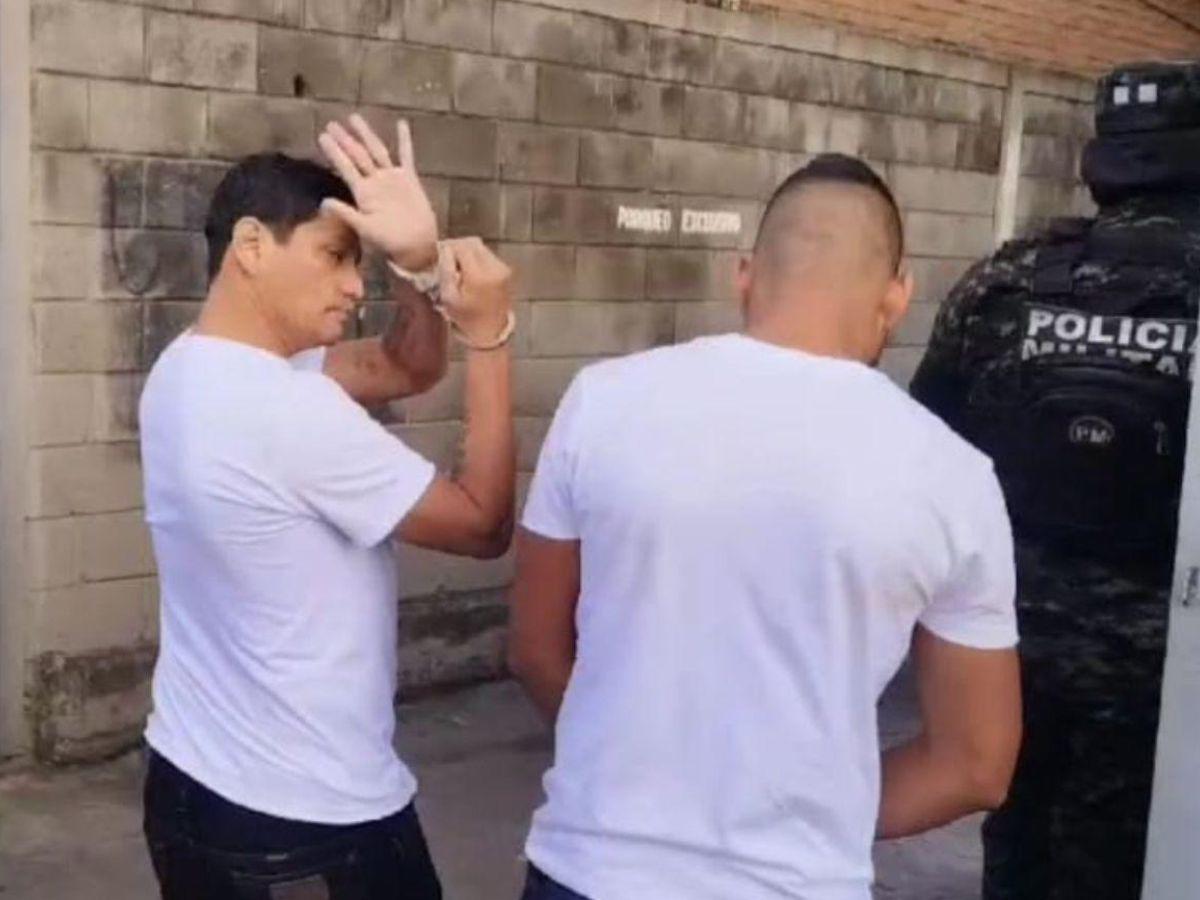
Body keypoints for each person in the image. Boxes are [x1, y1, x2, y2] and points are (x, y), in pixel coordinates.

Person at [507, 154, 1023, 900]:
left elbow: (534, 648)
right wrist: (811, 820)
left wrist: (632, 779)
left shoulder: (602, 400)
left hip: (587, 871)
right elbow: (976, 764)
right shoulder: (955, 475)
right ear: (898, 295)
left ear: (744, 275)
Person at [139, 114, 517, 899]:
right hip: (308, 818)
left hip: (188, 780)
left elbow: (405, 365)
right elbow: (483, 524)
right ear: (251, 245)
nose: (353, 285)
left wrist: (418, 267)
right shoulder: (288, 412)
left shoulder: (188, 365)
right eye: (334, 257)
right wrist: (489, 335)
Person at [911, 60, 1200, 900]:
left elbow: (923, 449)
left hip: (1006, 647)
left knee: (1016, 838)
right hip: (1163, 675)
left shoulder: (1006, 278)